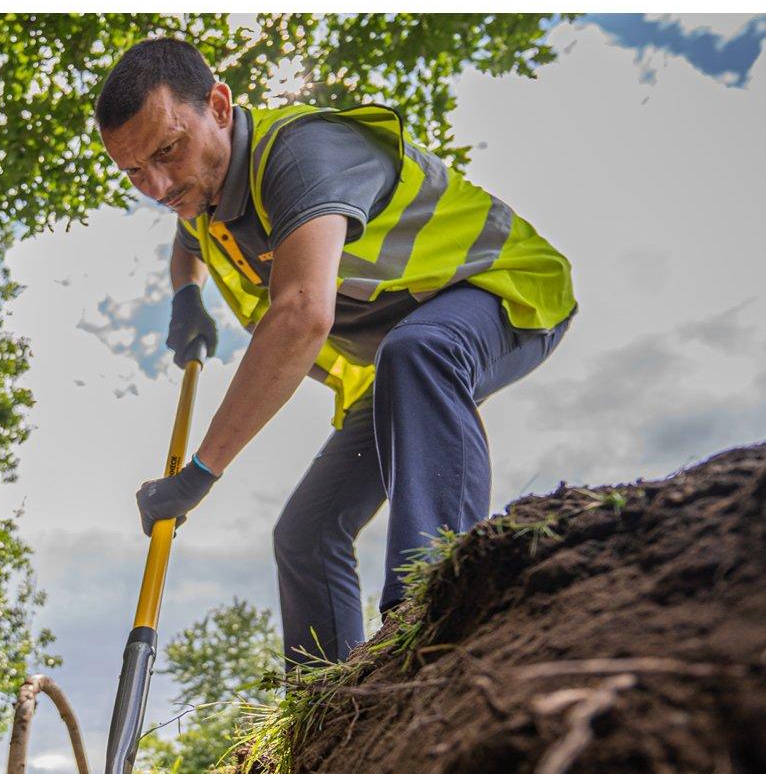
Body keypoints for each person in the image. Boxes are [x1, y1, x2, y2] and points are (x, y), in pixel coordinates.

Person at [94, 37, 576, 669]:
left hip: (502, 288)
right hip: (401, 364)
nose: (156, 185)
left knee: (419, 350)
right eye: (134, 172)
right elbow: (187, 239)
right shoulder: (200, 193)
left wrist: (199, 475)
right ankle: (327, 700)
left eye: (167, 150)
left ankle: (434, 607)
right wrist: (188, 296)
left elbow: (302, 313)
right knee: (305, 535)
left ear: (219, 106)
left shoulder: (302, 155)